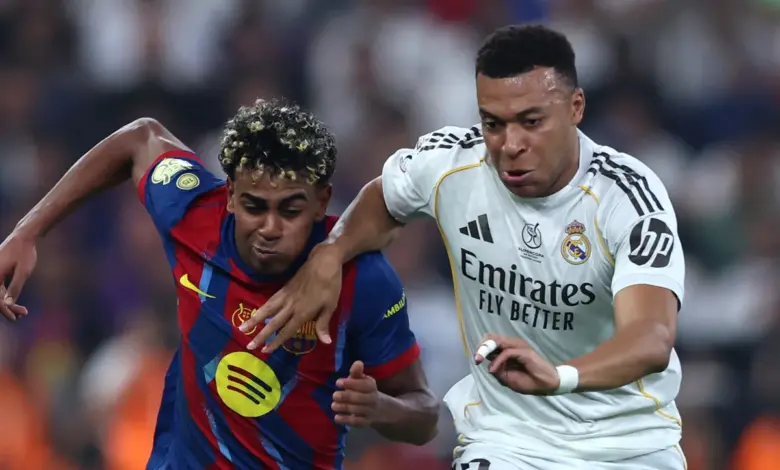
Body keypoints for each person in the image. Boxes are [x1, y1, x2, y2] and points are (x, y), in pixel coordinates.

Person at [240, 24, 688, 470]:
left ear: (575, 108)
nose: (510, 144)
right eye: (493, 123)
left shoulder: (625, 197)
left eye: (531, 122)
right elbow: (385, 196)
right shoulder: (453, 163)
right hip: (507, 440)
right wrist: (332, 251)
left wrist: (560, 377)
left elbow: (650, 338)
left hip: (627, 446)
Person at [0, 100, 439, 469]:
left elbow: (425, 415)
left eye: (290, 210)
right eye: (254, 207)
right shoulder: (194, 216)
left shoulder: (363, 278)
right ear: (229, 195)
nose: (270, 228)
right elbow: (140, 137)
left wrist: (381, 408)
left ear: (322, 200)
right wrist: (28, 231)